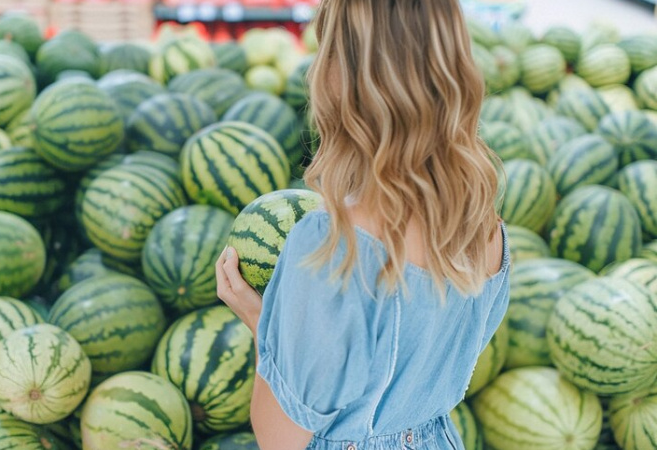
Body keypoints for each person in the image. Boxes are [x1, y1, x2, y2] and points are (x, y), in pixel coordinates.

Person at [215, 0, 511, 449]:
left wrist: (263, 323)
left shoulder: (331, 245)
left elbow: (280, 440)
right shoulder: (483, 223)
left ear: (340, 78)